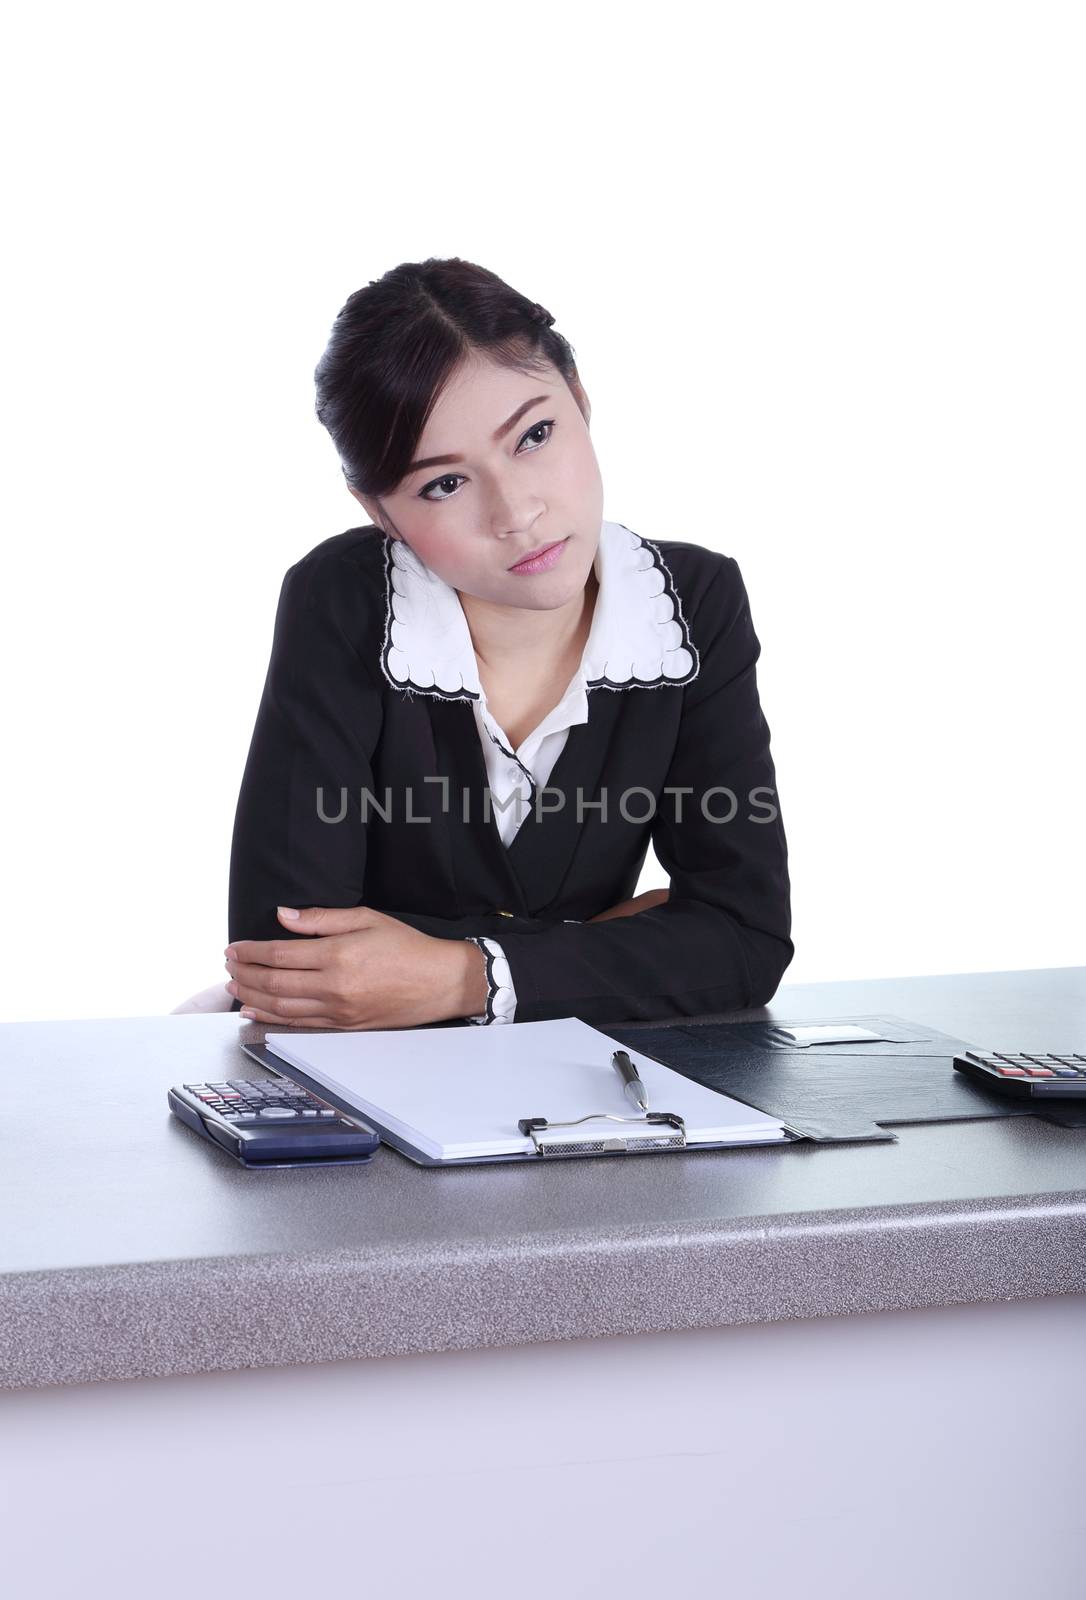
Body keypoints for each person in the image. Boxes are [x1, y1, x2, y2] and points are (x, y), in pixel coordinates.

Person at [223, 256, 793, 1029]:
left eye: (534, 435)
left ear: (581, 400)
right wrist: (611, 947)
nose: (516, 512)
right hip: (359, 1079)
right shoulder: (345, 600)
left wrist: (467, 977)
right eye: (443, 484)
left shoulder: (693, 603)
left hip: (587, 1089)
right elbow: (285, 962)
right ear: (379, 512)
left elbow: (746, 943)